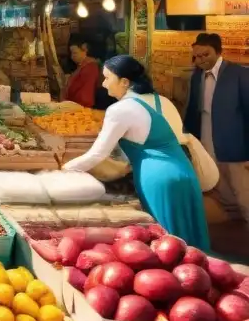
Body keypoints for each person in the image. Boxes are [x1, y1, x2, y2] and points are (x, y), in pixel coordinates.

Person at [64, 55, 209, 249]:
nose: (104, 84)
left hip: (160, 179)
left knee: (170, 245)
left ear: (124, 82)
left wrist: (65, 169)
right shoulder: (144, 103)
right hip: (181, 173)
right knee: (189, 245)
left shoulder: (121, 109)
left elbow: (97, 154)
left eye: (107, 78)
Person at [183, 33, 249, 223]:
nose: (201, 60)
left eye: (205, 55)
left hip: (235, 147)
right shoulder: (196, 77)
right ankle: (235, 241)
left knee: (244, 195)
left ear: (219, 52)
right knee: (222, 194)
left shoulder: (239, 74)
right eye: (196, 56)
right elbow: (193, 110)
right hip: (206, 140)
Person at [63, 34, 99, 108]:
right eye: (71, 53)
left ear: (85, 49)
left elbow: (86, 94)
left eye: (75, 53)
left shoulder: (90, 67)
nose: (72, 56)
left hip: (82, 106)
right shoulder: (82, 65)